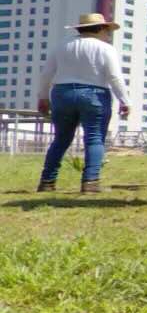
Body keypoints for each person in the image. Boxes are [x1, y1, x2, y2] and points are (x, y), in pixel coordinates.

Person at [35, 13, 131, 193]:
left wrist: (42, 97)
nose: (108, 34)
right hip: (94, 93)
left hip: (62, 93)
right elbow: (114, 77)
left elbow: (46, 74)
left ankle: (47, 181)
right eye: (107, 30)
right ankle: (90, 182)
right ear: (101, 29)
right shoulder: (105, 48)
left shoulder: (62, 46)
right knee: (94, 138)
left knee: (61, 139)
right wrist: (125, 101)